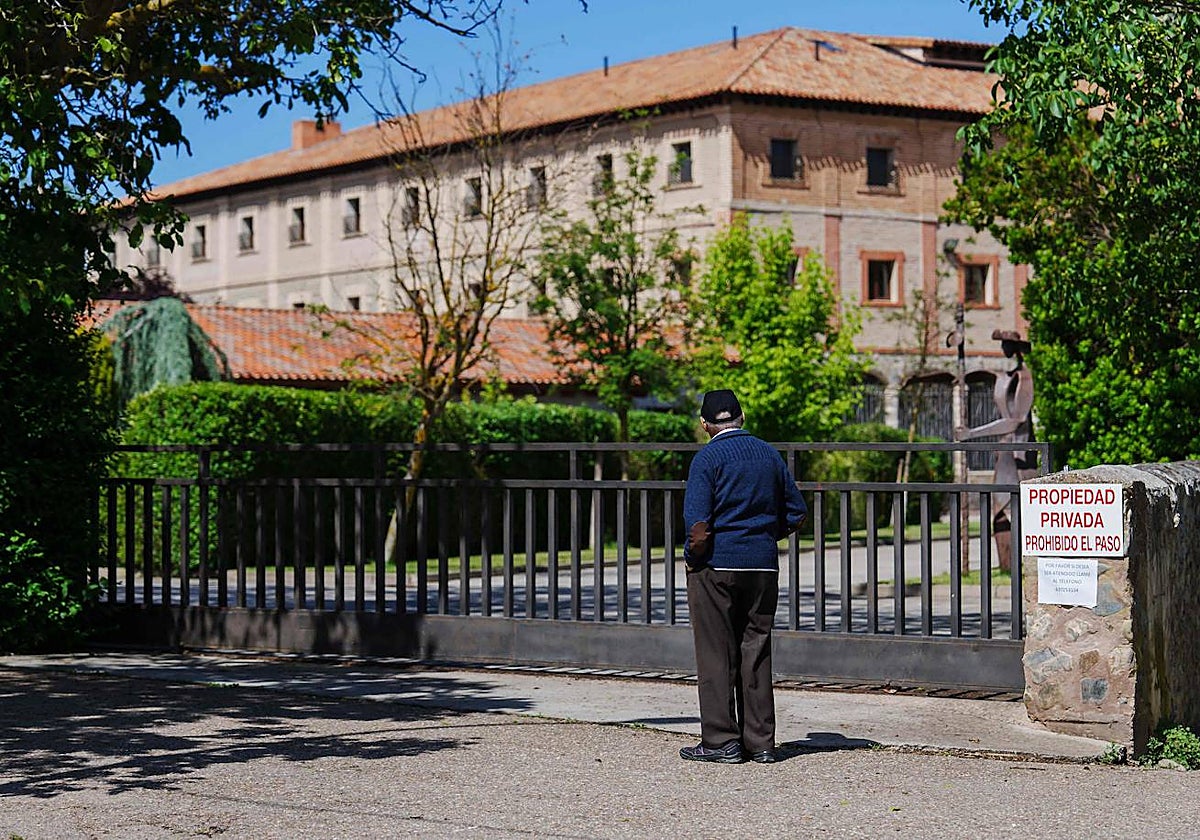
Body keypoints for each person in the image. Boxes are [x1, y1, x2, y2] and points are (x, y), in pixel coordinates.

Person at [680, 389, 807, 764]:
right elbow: (796, 513)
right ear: (742, 417)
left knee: (717, 653)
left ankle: (721, 742)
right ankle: (762, 743)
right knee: (756, 649)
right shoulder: (769, 454)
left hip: (717, 567)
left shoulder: (707, 460)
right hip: (763, 567)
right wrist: (765, 536)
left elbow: (699, 529)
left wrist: (692, 558)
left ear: (705, 425)